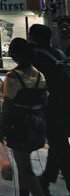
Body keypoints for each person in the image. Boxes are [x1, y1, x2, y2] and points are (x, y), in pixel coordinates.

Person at [0, 38, 48, 196]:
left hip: (19, 126)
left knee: (25, 169)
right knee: (23, 166)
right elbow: (45, 100)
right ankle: (23, 193)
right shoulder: (40, 76)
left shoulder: (14, 76)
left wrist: (0, 124)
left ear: (15, 55)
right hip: (37, 124)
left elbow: (7, 104)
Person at [29, 24, 70, 195]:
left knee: (59, 145)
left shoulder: (36, 56)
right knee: (57, 142)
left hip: (49, 107)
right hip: (64, 104)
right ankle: (47, 177)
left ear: (33, 37)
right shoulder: (58, 53)